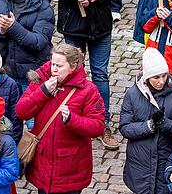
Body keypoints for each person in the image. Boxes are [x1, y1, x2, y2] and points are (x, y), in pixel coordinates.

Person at [46, 0, 126, 149]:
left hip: (100, 25)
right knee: (71, 75)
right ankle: (69, 119)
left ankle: (102, 122)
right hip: (74, 26)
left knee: (100, 74)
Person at [16, 43, 106, 192]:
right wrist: (43, 91)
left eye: (59, 66)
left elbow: (97, 126)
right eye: (53, 64)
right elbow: (21, 111)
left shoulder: (88, 90)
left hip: (70, 168)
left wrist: (72, 119)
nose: (54, 69)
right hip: (43, 163)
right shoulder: (41, 81)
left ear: (73, 67)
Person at [119, 47, 172, 194]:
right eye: (156, 77)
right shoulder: (132, 94)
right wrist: (149, 126)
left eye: (164, 76)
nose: (161, 81)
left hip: (166, 159)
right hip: (140, 162)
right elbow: (125, 127)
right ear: (147, 77)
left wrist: (164, 123)